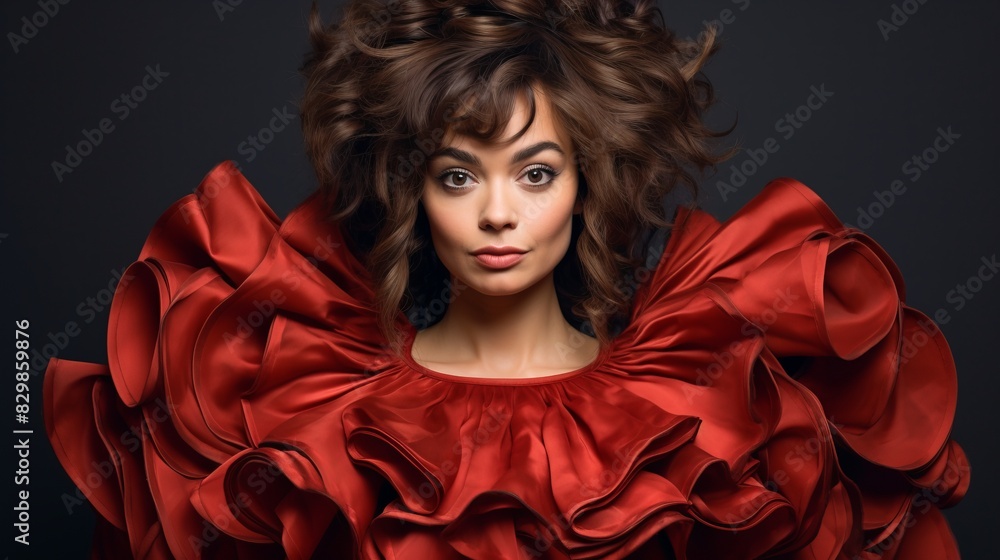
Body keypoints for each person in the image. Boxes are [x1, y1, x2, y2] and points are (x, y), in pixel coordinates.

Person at [43, 0, 969, 558]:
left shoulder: (699, 412)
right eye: (458, 176)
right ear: (414, 191)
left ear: (585, 184)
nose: (497, 214)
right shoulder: (311, 408)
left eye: (535, 173)